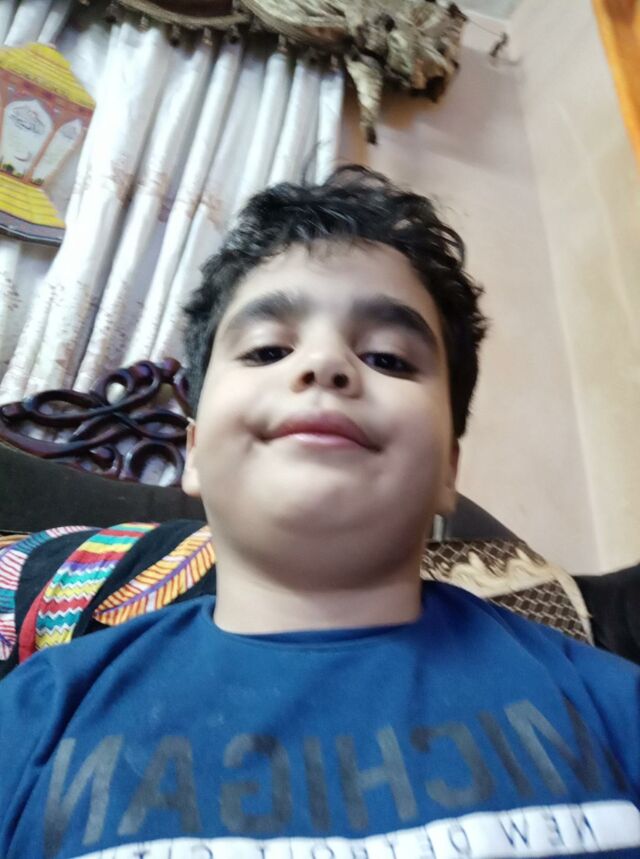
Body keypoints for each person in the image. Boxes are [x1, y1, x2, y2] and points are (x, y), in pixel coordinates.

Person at [0, 166, 638, 859]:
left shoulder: (613, 706)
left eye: (388, 358)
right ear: (196, 453)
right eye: (269, 350)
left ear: (448, 471)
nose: (327, 364)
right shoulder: (35, 717)